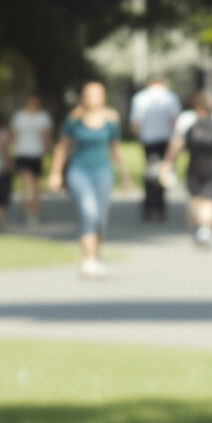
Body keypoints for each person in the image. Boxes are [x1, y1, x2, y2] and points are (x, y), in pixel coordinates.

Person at [50, 81, 124, 277]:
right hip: (79, 171)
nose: (93, 99)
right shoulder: (74, 119)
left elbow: (114, 148)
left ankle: (95, 255)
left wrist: (123, 174)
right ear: (83, 97)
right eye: (89, 95)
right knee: (88, 212)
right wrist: (56, 173)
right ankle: (88, 259)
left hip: (103, 171)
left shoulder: (111, 119)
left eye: (97, 95)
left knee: (99, 218)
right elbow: (63, 147)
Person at [166, 91, 212, 249]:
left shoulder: (188, 121)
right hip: (210, 166)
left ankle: (198, 227)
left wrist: (169, 162)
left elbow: (176, 144)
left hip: (193, 166)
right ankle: (206, 228)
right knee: (210, 200)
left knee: (194, 199)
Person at [129, 75, 181, 223]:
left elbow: (135, 123)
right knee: (163, 175)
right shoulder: (170, 97)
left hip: (148, 140)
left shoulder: (140, 98)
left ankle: (149, 208)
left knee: (150, 175)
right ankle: (160, 209)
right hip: (165, 139)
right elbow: (175, 121)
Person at [11, 93, 54, 226]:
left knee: (35, 186)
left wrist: (46, 154)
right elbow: (14, 134)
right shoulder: (19, 117)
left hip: (37, 153)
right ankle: (26, 212)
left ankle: (34, 213)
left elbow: (46, 137)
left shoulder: (43, 117)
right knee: (25, 185)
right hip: (23, 152)